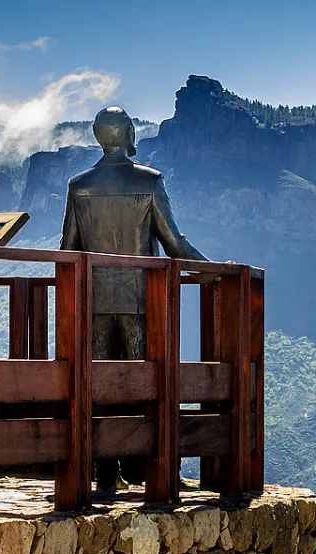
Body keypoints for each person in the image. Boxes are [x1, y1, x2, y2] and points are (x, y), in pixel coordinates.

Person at [60, 106, 208, 491]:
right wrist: (213, 271)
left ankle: (105, 474)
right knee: (146, 385)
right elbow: (175, 244)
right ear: (127, 134)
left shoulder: (79, 186)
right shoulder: (150, 182)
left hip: (94, 303)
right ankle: (151, 470)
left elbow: (68, 250)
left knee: (101, 387)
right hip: (142, 301)